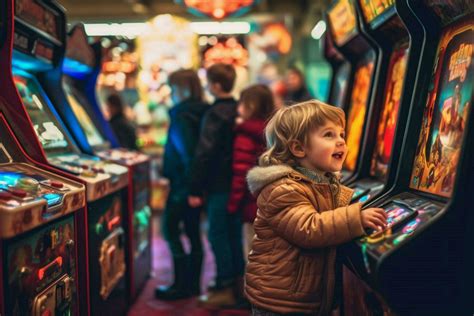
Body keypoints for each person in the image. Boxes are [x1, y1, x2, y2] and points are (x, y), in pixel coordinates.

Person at [245, 100, 388, 315]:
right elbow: (309, 228)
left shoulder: (321, 182)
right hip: (281, 301)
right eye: (328, 135)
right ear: (299, 148)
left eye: (341, 134)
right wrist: (355, 218)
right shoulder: (283, 189)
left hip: (304, 296)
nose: (340, 141)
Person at [187, 63, 242, 307]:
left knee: (217, 234)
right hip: (238, 182)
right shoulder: (239, 108)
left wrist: (195, 188)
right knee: (233, 234)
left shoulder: (214, 113)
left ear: (216, 85)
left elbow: (204, 153)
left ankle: (225, 287)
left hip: (219, 185)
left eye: (209, 82)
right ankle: (239, 286)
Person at [155, 69, 208, 300]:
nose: (172, 93)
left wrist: (190, 188)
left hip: (182, 185)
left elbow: (187, 153)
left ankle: (180, 285)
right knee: (193, 233)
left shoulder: (181, 115)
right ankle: (192, 285)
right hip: (195, 183)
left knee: (169, 229)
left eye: (173, 88)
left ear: (183, 89)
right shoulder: (202, 111)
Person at [227, 84, 275, 260]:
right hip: (274, 204)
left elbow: (242, 173)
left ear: (251, 106)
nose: (238, 108)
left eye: (241, 103)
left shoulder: (245, 135)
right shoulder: (276, 131)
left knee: (253, 257)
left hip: (251, 206)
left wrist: (233, 205)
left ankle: (254, 288)